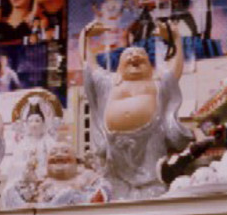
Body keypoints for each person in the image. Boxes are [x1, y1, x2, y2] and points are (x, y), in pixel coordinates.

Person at [79, 18, 192, 200]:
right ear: (118, 68)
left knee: (154, 189)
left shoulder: (157, 83)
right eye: (128, 55)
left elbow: (175, 70)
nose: (133, 56)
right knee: (115, 194)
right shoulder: (108, 83)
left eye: (140, 54)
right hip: (115, 149)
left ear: (150, 65)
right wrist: (85, 37)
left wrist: (176, 38)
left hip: (150, 141)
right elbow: (89, 66)